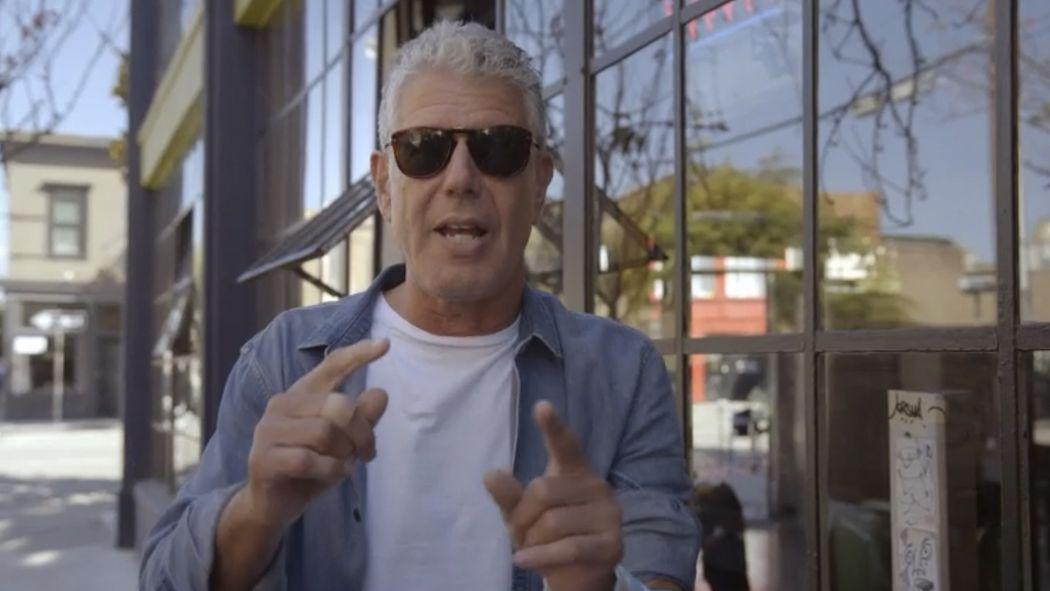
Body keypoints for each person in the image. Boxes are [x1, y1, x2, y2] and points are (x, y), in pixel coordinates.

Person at [140, 21, 699, 591]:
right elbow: (162, 579)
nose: (460, 179)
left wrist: (598, 584)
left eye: (498, 148)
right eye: (424, 149)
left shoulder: (622, 372)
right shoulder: (283, 361)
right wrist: (257, 510)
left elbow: (662, 571)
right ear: (384, 184)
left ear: (538, 184)